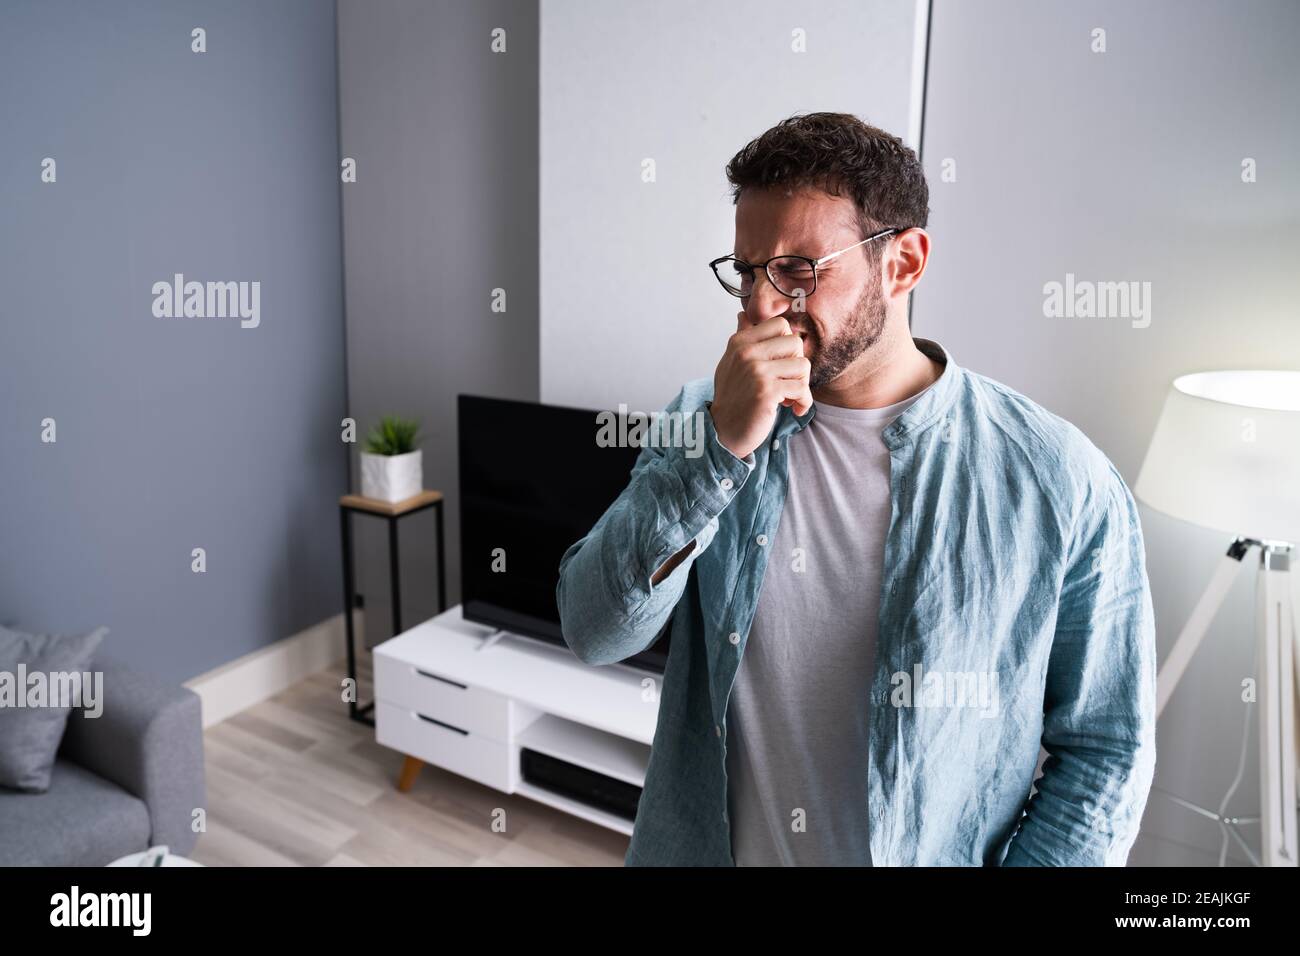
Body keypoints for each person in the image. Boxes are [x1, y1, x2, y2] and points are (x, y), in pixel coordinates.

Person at [557, 112, 1157, 866]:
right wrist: (717, 450)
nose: (762, 306)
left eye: (799, 270)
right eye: (747, 271)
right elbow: (594, 631)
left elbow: (1105, 751)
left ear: (903, 264)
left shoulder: (1060, 478)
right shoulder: (700, 420)